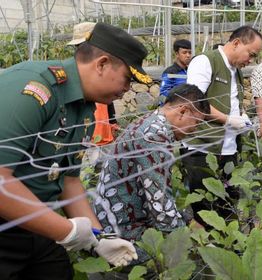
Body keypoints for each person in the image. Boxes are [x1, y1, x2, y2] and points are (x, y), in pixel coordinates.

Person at [0, 22, 152, 279]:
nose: (128, 89)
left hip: (37, 222)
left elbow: (69, 181)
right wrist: (65, 231)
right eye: (127, 78)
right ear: (101, 64)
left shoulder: (85, 109)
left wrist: (98, 238)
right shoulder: (33, 90)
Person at [93, 84, 210, 264]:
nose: (195, 130)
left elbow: (162, 186)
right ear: (183, 111)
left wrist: (188, 219)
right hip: (122, 233)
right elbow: (160, 204)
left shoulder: (153, 123)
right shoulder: (155, 136)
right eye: (197, 123)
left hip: (120, 218)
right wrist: (194, 242)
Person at [182, 26, 262, 226]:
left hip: (228, 148)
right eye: (250, 54)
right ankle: (205, 250)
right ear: (236, 43)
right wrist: (227, 119)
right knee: (204, 207)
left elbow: (232, 100)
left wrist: (241, 116)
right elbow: (195, 102)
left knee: (228, 202)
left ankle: (226, 246)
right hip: (203, 147)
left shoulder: (236, 71)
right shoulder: (205, 61)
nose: (250, 60)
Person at [67, 21, 119, 147]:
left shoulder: (103, 65)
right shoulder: (74, 70)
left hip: (100, 126)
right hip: (83, 128)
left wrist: (112, 120)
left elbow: (108, 95)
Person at [159, 39, 192, 105]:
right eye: (184, 53)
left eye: (189, 52)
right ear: (177, 54)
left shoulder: (191, 71)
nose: (188, 55)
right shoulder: (170, 72)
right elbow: (162, 95)